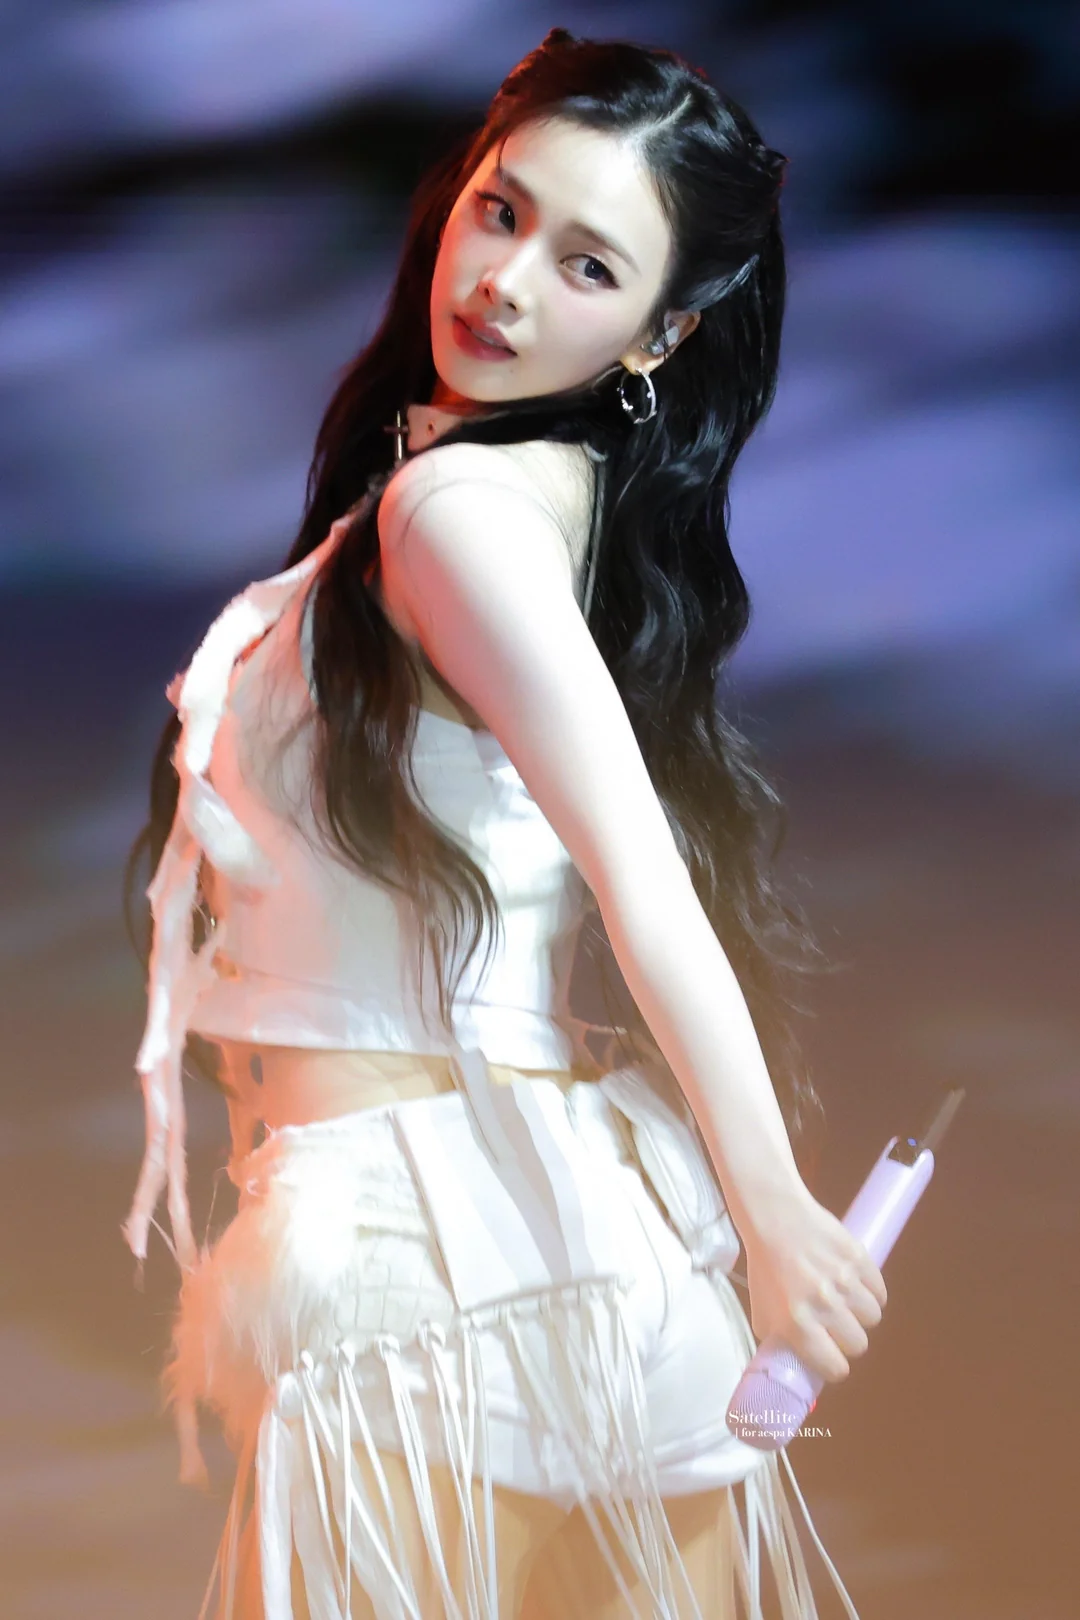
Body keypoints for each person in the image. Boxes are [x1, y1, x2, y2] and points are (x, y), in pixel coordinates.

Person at [122, 27, 888, 1620]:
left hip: (416, 1286)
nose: (507, 283)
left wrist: (774, 1211)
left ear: (661, 333)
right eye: (501, 210)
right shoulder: (511, 501)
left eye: (586, 265)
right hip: (556, 1266)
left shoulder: (456, 513)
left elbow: (642, 880)